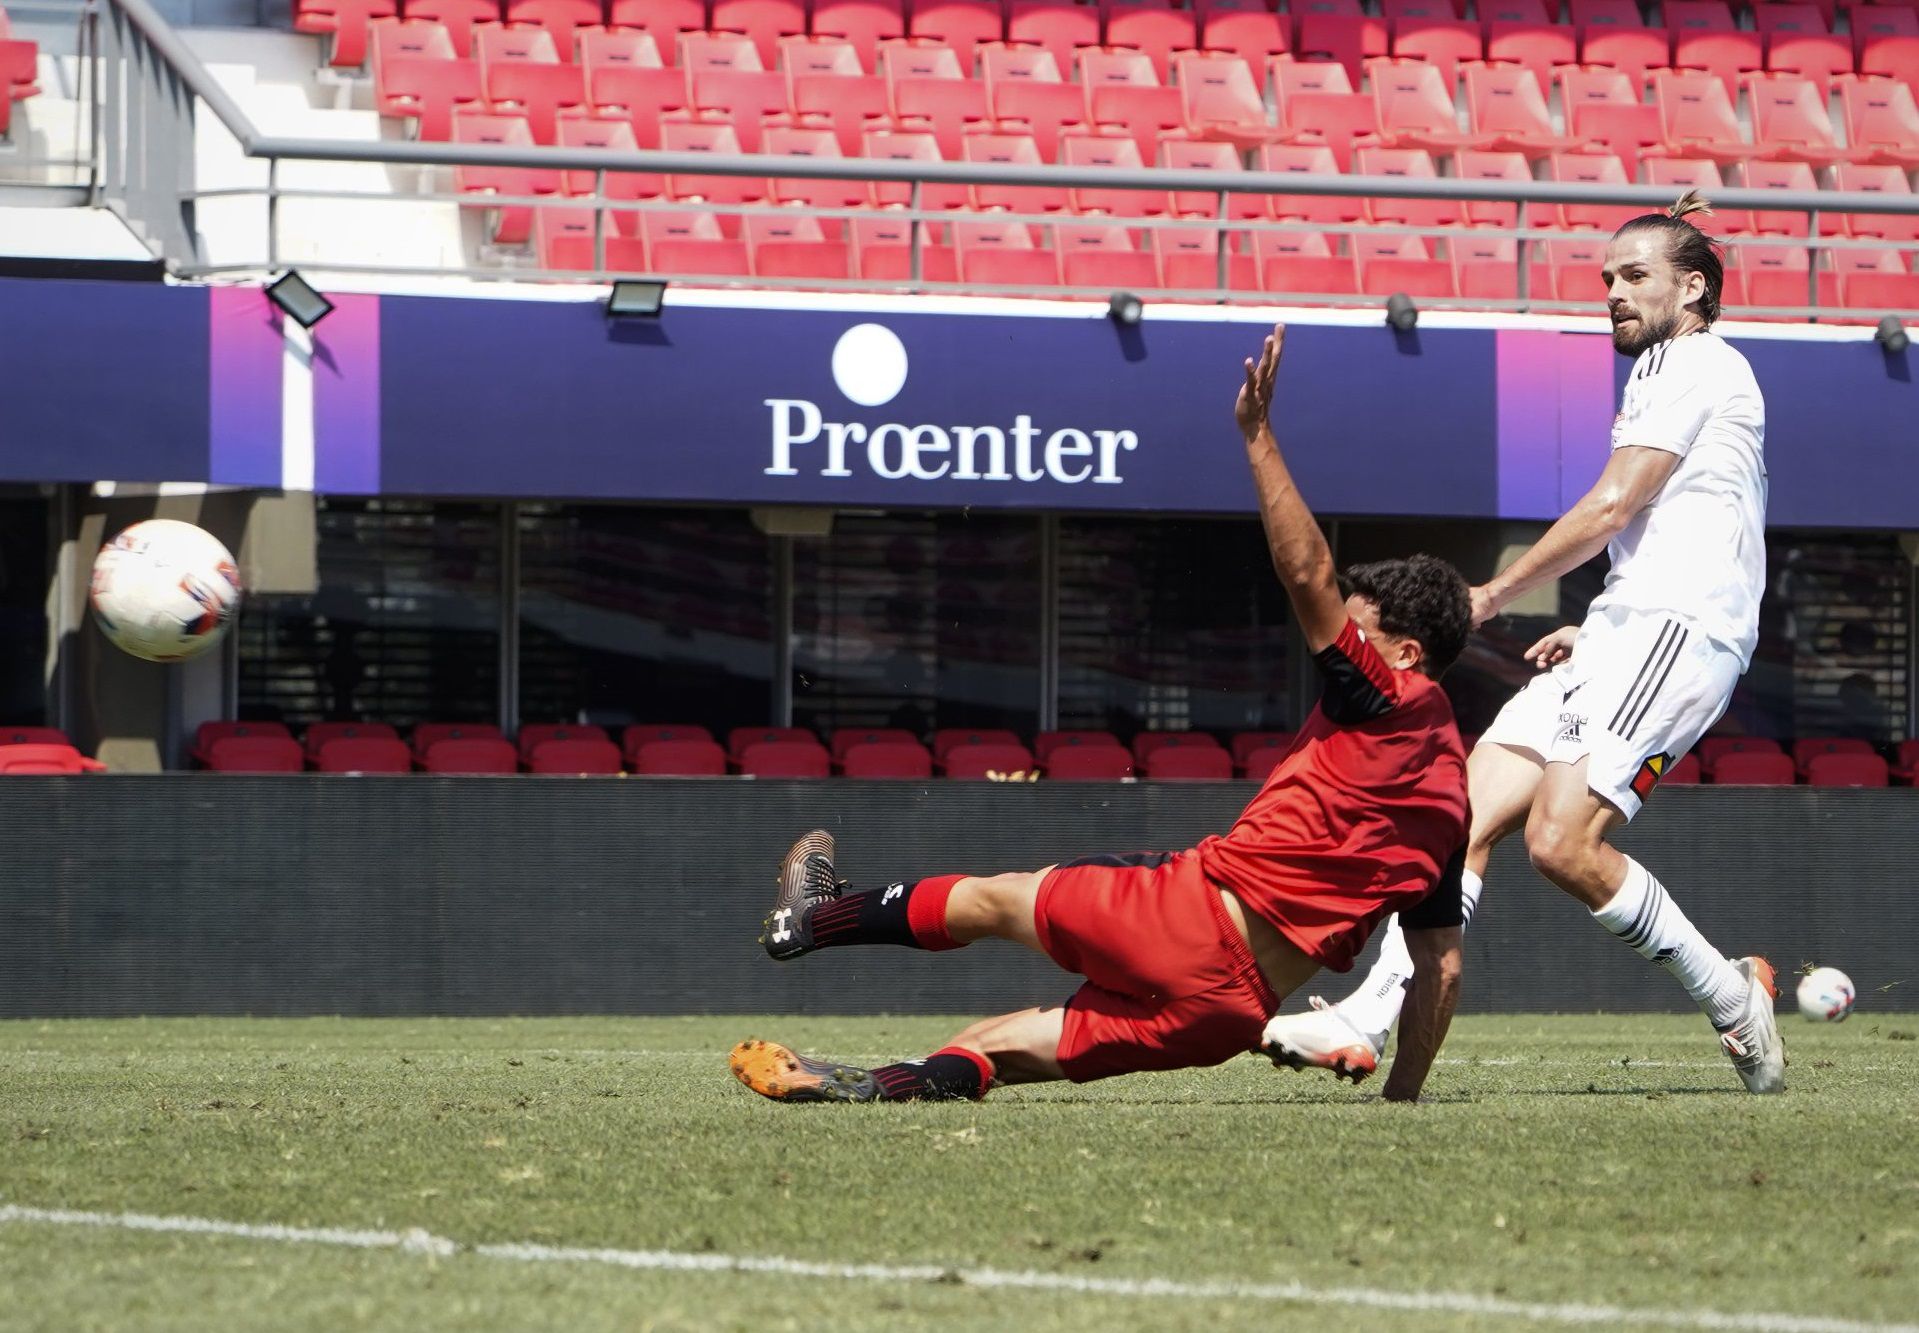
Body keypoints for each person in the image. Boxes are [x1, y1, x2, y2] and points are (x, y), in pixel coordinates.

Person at [730, 324, 1474, 1106]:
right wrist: (1403, 1099)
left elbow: (1305, 571)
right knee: (998, 1048)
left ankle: (815, 918)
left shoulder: (1387, 697)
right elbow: (1442, 965)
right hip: (1227, 1014)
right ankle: (883, 1085)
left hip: (1181, 922)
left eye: (1360, 629)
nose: (1342, 639)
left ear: (1407, 653)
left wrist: (1256, 438)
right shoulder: (1449, 806)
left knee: (995, 898)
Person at [1262, 191, 1786, 1095]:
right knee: (1454, 820)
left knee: (1559, 842)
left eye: (1634, 276)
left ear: (1692, 288)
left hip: (1678, 628)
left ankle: (1734, 999)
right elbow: (1674, 519)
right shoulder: (1671, 368)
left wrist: (1494, 592)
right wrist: (1605, 619)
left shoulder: (1690, 365)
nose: (1613, 293)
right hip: (1633, 623)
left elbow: (1615, 502)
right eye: (1605, 280)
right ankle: (1365, 1016)